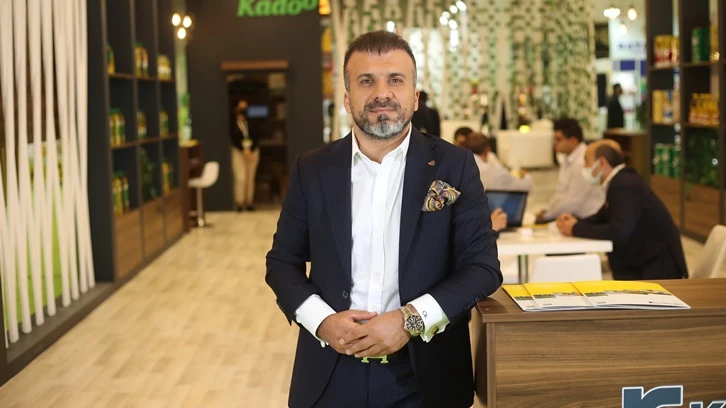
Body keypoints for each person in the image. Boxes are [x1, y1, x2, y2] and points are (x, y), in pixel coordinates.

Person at [265, 30, 502, 408]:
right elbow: (282, 262)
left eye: (395, 80)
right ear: (347, 98)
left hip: (426, 378)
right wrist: (322, 322)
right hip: (330, 373)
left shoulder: (454, 165)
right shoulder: (312, 169)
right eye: (366, 81)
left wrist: (409, 320)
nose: (382, 93)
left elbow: (482, 268)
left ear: (415, 96)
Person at [556, 141, 688, 280]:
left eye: (586, 161)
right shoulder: (620, 181)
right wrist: (574, 222)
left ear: (602, 163)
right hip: (644, 263)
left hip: (657, 267)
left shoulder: (624, 184)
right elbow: (602, 217)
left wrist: (575, 228)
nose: (584, 167)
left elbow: (618, 231)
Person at [536, 118, 604, 223]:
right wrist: (547, 210)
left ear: (573, 140)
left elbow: (573, 202)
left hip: (588, 219)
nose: (554, 143)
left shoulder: (583, 161)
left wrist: (547, 216)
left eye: (559, 139)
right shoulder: (566, 159)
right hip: (574, 215)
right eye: (554, 139)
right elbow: (560, 192)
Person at [467, 132, 532, 192]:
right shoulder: (495, 172)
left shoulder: (463, 167)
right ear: (487, 149)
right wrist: (526, 175)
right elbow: (524, 186)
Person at [230, 100, 259, 212]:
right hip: (239, 152)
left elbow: (256, 136)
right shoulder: (233, 124)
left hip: (252, 151)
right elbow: (233, 138)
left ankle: (249, 202)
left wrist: (250, 150)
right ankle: (239, 202)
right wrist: (243, 150)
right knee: (241, 178)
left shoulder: (251, 122)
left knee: (250, 178)